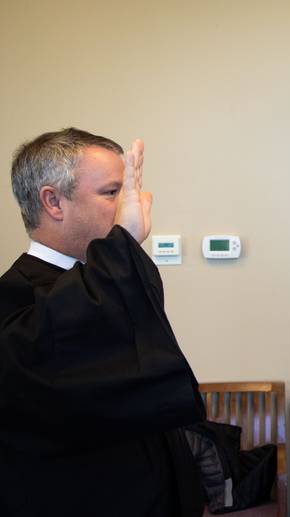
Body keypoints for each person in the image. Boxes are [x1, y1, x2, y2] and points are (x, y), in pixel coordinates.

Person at [0, 128, 206, 516]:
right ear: (53, 202)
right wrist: (121, 241)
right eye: (113, 193)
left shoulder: (101, 277)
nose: (135, 204)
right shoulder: (15, 298)